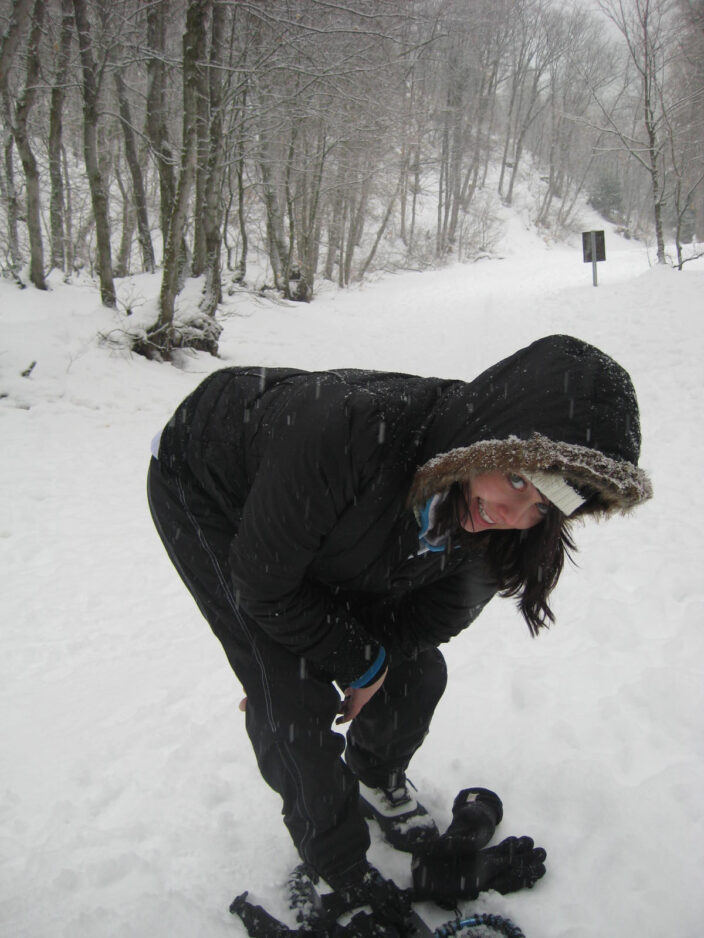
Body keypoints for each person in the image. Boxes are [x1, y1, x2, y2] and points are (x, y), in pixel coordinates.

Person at [147, 334, 651, 928]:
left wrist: (370, 660)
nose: (511, 515)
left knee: (415, 671)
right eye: (517, 480)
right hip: (209, 480)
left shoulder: (497, 533)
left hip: (324, 516)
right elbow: (264, 589)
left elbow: (422, 624)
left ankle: (375, 777)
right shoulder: (347, 433)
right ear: (487, 440)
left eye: (543, 505)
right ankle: (337, 865)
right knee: (291, 692)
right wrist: (319, 664)